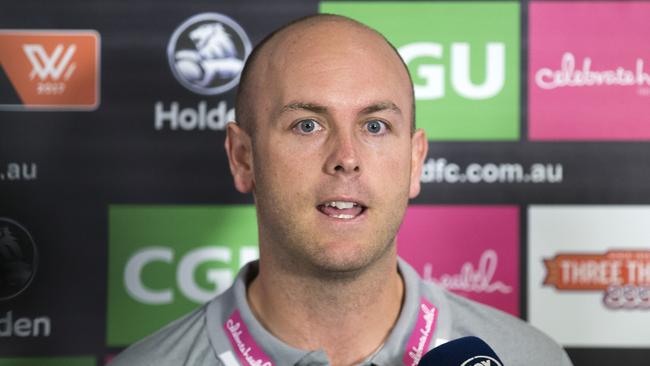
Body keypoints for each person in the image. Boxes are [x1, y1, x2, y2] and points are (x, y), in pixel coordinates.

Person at [110, 14, 573, 366]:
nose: (346, 156)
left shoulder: (528, 358)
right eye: (307, 125)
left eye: (375, 125)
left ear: (415, 161)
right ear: (242, 158)